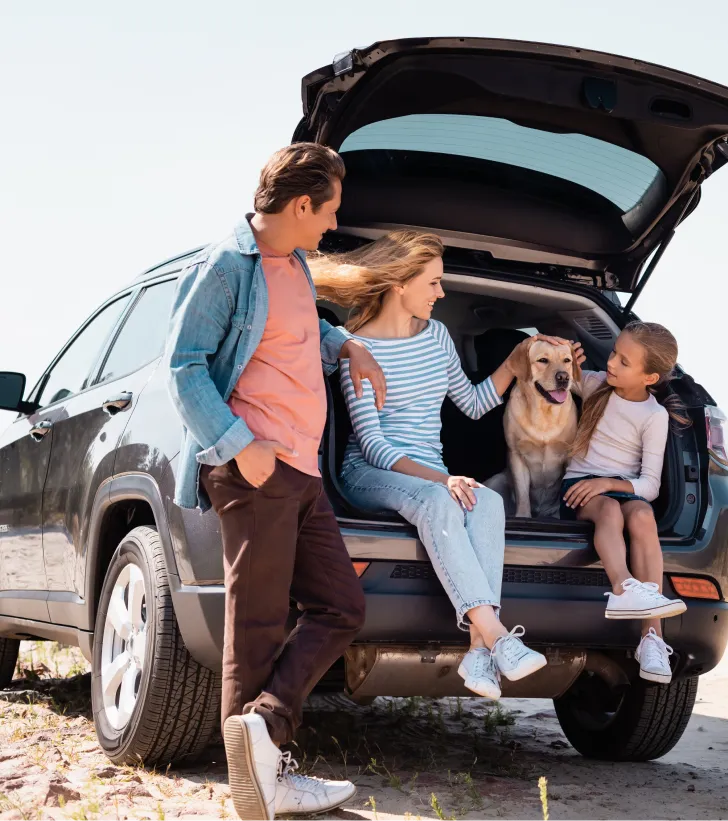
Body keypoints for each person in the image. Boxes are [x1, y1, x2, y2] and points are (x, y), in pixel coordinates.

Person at [165, 143, 387, 820]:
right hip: (256, 469)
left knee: (341, 606)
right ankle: (259, 782)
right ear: (299, 205)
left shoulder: (292, 263)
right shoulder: (227, 265)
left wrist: (343, 342)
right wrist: (239, 444)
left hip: (303, 468)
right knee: (257, 624)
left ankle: (263, 730)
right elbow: (183, 365)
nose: (332, 224)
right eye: (330, 210)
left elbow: (292, 330)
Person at [310, 229, 556, 701]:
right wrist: (444, 479)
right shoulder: (356, 349)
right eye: (434, 283)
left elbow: (474, 403)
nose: (442, 293)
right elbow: (375, 446)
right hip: (370, 473)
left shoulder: (437, 336)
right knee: (440, 501)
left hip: (430, 473)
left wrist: (516, 359)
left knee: (485, 502)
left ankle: (478, 653)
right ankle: (500, 637)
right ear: (400, 284)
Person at [560, 320, 690, 685]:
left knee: (644, 515)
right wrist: (571, 363)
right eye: (614, 353)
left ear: (650, 378)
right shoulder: (597, 385)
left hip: (620, 487)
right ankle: (622, 590)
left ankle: (652, 639)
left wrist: (609, 482)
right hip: (581, 487)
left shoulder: (654, 416)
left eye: (624, 361)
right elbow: (562, 381)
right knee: (609, 509)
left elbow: (649, 485)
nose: (612, 363)